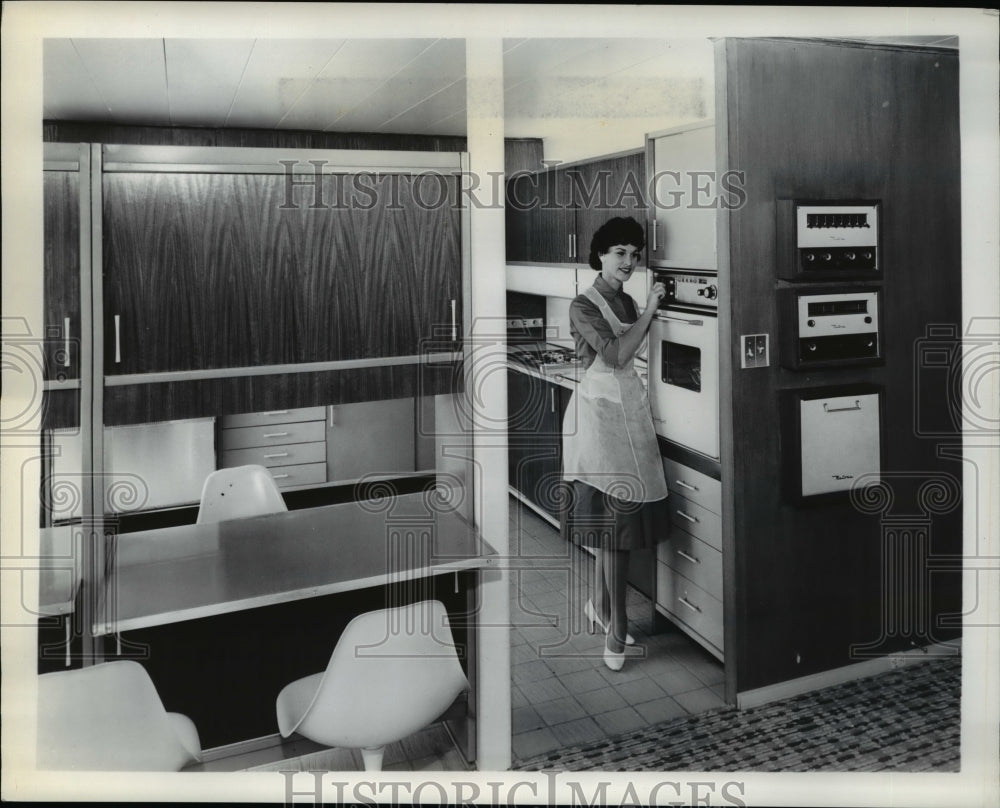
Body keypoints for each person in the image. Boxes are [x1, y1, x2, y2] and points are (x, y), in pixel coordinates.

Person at [562, 216, 669, 672]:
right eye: (620, 253)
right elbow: (616, 355)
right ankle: (616, 625)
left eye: (635, 254)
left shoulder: (625, 299)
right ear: (600, 255)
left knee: (618, 521)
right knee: (615, 526)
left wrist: (642, 307)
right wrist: (651, 309)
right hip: (600, 418)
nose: (629, 261)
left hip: (631, 412)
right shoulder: (582, 305)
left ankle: (598, 603)